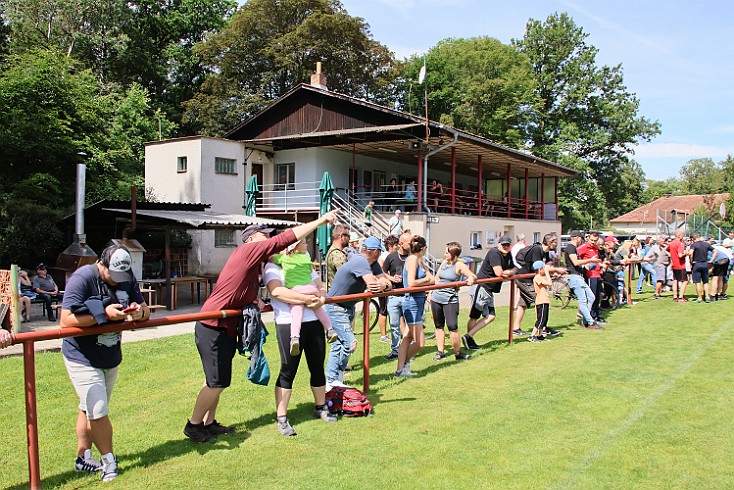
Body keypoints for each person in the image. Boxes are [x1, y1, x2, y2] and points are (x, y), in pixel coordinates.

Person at [184, 211, 338, 443]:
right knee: (216, 381)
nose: (268, 240)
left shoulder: (255, 265)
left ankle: (209, 423)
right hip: (212, 323)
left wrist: (252, 300)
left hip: (225, 325)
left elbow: (242, 288)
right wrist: (321, 220)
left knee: (217, 379)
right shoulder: (247, 251)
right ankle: (193, 426)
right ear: (251, 239)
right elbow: (283, 242)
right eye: (264, 236)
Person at [59, 245, 150, 482]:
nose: (118, 281)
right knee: (98, 411)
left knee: (88, 408)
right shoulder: (82, 278)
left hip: (110, 356)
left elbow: (146, 310)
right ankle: (109, 461)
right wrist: (104, 316)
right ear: (101, 264)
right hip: (82, 356)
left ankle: (83, 458)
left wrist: (138, 313)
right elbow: (66, 319)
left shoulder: (126, 275)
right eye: (113, 275)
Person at [264, 250, 337, 437]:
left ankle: (320, 407)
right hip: (288, 324)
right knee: (288, 371)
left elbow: (320, 286)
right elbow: (277, 291)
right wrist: (306, 299)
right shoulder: (273, 267)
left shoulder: (304, 262)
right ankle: (281, 418)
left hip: (314, 323)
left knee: (317, 367)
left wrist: (320, 298)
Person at [325, 236, 392, 388]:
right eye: (379, 252)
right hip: (335, 307)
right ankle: (331, 379)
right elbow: (374, 284)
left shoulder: (372, 264)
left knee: (339, 345)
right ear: (375, 251)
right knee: (350, 344)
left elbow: (386, 283)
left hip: (347, 307)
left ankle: (335, 379)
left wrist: (383, 284)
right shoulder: (360, 261)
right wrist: (381, 284)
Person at [270, 239, 337, 355]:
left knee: (296, 314)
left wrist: (281, 254)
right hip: (312, 289)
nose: (306, 245)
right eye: (304, 243)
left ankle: (295, 337)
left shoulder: (285, 259)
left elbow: (271, 258)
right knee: (319, 310)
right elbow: (310, 270)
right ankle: (330, 329)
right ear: (296, 247)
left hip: (296, 290)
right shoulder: (306, 258)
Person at [463, 235, 516, 350]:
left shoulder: (508, 255)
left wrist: (510, 272)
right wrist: (508, 272)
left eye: (507, 245)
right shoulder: (494, 253)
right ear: (498, 245)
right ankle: (469, 339)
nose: (505, 247)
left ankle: (468, 337)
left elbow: (515, 268)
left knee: (491, 316)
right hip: (482, 287)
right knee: (475, 316)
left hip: (489, 289)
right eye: (503, 245)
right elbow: (499, 273)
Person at [512, 234, 566, 337]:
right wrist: (555, 270)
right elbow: (538, 269)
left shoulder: (544, 252)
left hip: (527, 278)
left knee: (523, 303)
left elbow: (544, 267)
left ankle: (516, 328)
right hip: (524, 279)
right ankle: (542, 328)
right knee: (540, 301)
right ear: (549, 243)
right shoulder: (537, 250)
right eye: (555, 242)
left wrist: (551, 272)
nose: (557, 244)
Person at [394, 235, 433, 377]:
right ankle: (403, 365)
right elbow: (411, 283)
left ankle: (400, 370)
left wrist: (428, 279)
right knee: (420, 342)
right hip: (412, 303)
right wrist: (426, 280)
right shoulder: (413, 260)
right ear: (423, 248)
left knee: (408, 338)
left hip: (419, 301)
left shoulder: (419, 260)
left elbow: (432, 278)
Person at [430, 242, 475, 361]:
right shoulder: (444, 263)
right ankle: (440, 351)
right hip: (436, 298)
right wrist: (431, 292)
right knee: (439, 326)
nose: (444, 254)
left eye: (446, 252)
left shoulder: (459, 265)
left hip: (450, 300)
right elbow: (437, 278)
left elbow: (472, 276)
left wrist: (470, 279)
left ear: (454, 254)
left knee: (452, 326)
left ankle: (458, 353)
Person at [382, 231, 412, 360]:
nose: (412, 245)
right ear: (401, 244)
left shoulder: (413, 258)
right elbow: (382, 272)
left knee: (410, 325)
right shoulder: (391, 257)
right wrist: (392, 278)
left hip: (408, 296)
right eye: (409, 243)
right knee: (394, 325)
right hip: (394, 296)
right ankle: (395, 350)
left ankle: (409, 350)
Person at [564, 230, 602, 329]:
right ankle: (590, 322)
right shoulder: (570, 248)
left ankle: (586, 320)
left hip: (579, 276)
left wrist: (586, 266)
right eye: (581, 237)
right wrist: (590, 260)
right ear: (577, 238)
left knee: (591, 297)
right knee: (583, 300)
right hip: (574, 277)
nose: (582, 240)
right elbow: (575, 262)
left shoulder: (574, 248)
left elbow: (577, 264)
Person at [377, 235, 400, 344]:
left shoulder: (394, 256)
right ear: (390, 246)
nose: (398, 247)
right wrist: (391, 278)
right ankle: (383, 336)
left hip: (391, 287)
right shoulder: (385, 256)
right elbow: (381, 271)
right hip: (385, 288)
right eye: (396, 245)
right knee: (383, 310)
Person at [577, 231, 604, 323]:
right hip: (590, 275)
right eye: (591, 240)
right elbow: (575, 257)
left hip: (597, 274)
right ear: (588, 238)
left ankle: (597, 315)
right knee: (591, 297)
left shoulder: (596, 247)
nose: (593, 242)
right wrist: (584, 265)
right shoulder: (584, 247)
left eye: (595, 240)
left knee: (598, 296)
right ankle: (591, 316)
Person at [528, 261, 553, 342]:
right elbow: (549, 283)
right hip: (541, 301)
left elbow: (549, 286)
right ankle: (532, 335)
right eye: (543, 269)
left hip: (544, 300)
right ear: (539, 269)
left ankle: (540, 335)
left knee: (544, 319)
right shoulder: (537, 277)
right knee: (540, 320)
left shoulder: (540, 277)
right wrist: (547, 273)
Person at [688, 233, 717, 303]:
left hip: (697, 264)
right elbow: (715, 251)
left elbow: (690, 253)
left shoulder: (694, 245)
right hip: (705, 264)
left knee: (697, 282)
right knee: (705, 282)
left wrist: (691, 261)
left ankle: (700, 298)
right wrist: (711, 260)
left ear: (692, 239)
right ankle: (707, 297)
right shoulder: (706, 244)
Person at [325, 224, 350, 289]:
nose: (349, 239)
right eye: (348, 236)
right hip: (341, 293)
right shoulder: (338, 255)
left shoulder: (331, 250)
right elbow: (346, 279)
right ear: (341, 236)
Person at [668, 230, 689, 302]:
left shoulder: (671, 243)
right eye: (682, 235)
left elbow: (667, 250)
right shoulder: (680, 244)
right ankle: (681, 297)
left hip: (674, 264)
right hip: (680, 265)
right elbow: (680, 255)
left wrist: (672, 256)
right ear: (679, 235)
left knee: (675, 280)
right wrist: (685, 253)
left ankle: (675, 296)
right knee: (685, 281)